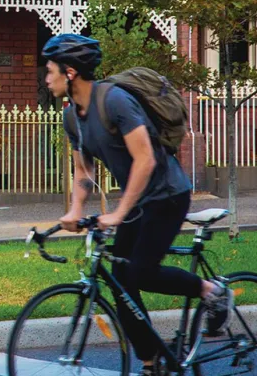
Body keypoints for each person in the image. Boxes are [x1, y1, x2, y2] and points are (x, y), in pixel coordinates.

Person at [42, 33, 233, 376]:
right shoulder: (72, 118)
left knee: (141, 272)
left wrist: (118, 212)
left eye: (50, 70)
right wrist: (74, 210)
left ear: (70, 72)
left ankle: (212, 290)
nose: (46, 78)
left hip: (167, 194)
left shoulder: (113, 101)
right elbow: (83, 172)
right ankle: (151, 361)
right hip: (138, 201)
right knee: (120, 281)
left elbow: (144, 159)